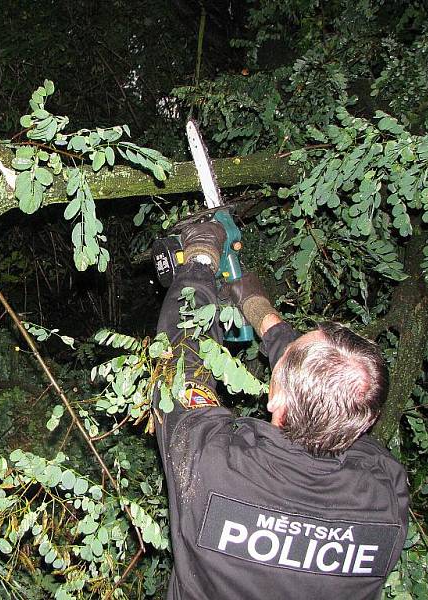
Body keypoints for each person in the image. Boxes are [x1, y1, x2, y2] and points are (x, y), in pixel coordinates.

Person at [153, 222, 409, 600]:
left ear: (275, 399)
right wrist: (263, 314)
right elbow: (335, 390)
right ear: (366, 419)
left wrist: (200, 259)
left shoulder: (212, 462)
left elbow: (180, 364)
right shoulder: (386, 493)